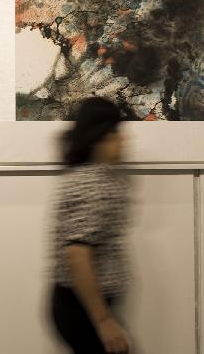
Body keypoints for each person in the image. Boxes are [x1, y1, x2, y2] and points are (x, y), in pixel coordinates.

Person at [50, 97, 132, 353]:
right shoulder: (92, 185)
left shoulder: (93, 177)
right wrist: (104, 321)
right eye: (117, 133)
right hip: (81, 307)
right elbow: (77, 255)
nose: (124, 141)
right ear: (101, 137)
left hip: (83, 305)